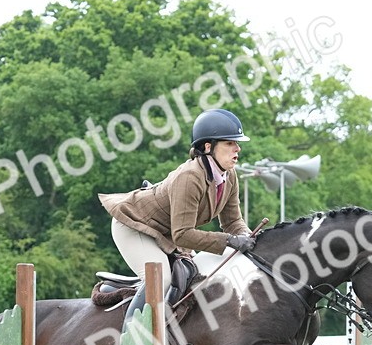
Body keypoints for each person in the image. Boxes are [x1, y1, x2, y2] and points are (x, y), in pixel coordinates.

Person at [97, 108, 256, 312]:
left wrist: (248, 237)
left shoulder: (229, 176)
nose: (237, 149)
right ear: (208, 147)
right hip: (134, 224)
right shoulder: (189, 177)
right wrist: (229, 241)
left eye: (237, 143)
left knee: (200, 276)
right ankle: (132, 336)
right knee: (161, 279)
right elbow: (182, 235)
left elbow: (232, 222)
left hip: (167, 232)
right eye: (230, 143)